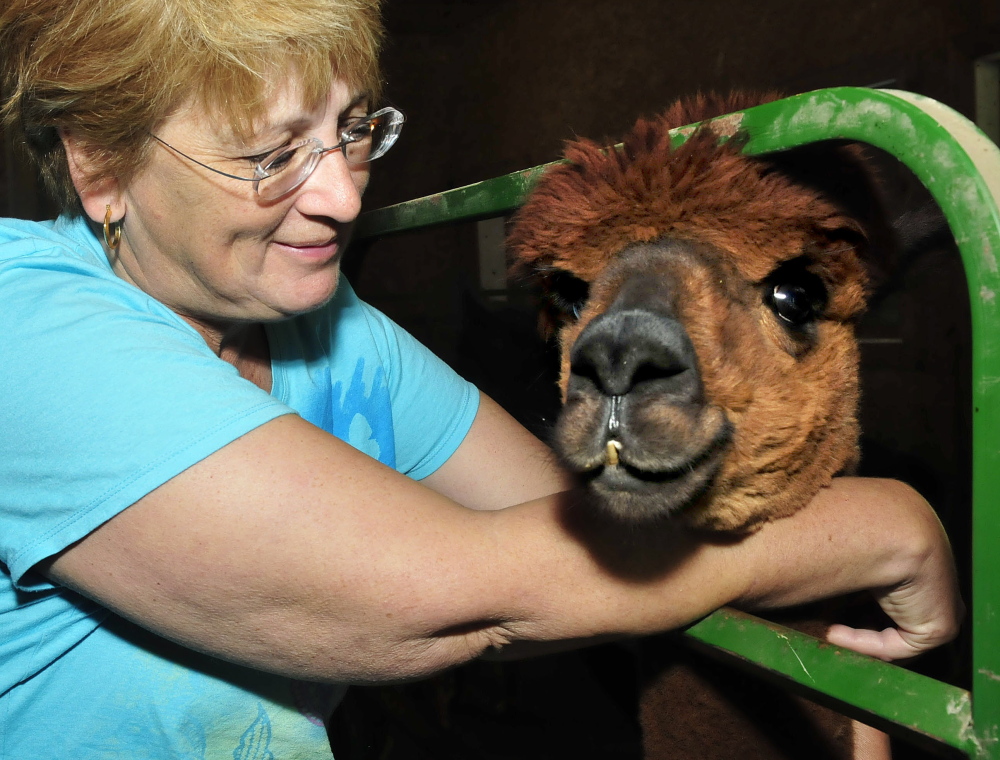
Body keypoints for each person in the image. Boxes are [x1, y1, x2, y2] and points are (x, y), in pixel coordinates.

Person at [0, 0, 961, 757]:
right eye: (273, 155)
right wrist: (887, 527)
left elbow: (580, 528)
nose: (341, 196)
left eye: (351, 130)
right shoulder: (23, 325)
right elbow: (455, 594)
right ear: (101, 170)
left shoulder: (332, 335)